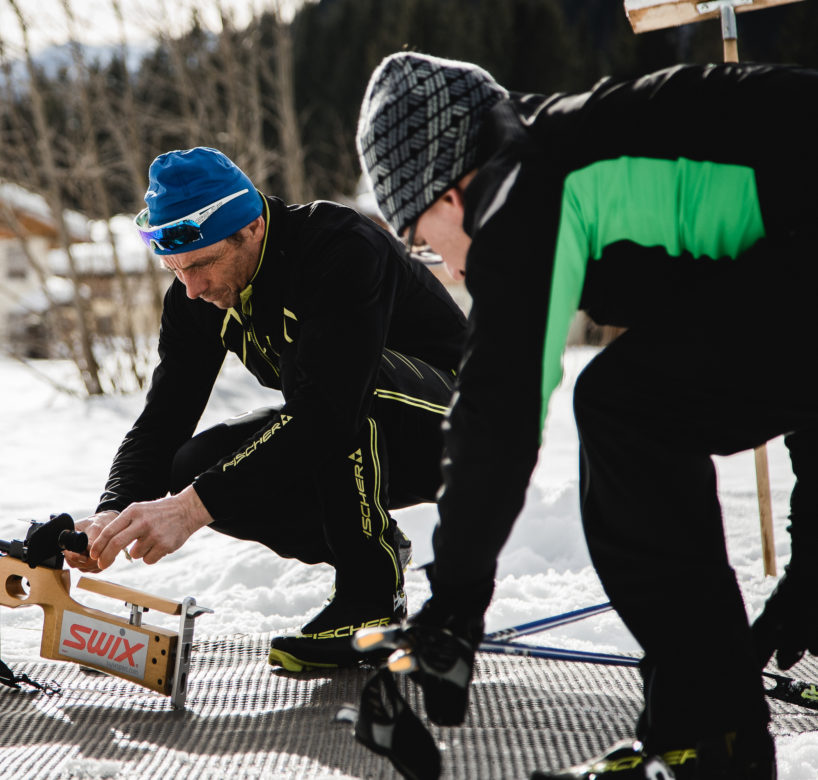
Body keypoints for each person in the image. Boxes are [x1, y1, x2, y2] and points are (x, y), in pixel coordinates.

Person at [355, 52, 818, 779]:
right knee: (636, 403)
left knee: (625, 409)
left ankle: (705, 745)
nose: (441, 265)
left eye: (419, 238)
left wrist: (452, 610)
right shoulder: (561, 149)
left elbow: (497, 413)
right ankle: (704, 739)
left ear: (447, 193)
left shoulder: (524, 188)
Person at [65, 146, 468, 671]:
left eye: (203, 264)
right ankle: (377, 552)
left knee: (329, 387)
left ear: (251, 228)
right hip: (352, 431)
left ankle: (368, 597)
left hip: (466, 429)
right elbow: (164, 418)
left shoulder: (339, 247)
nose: (192, 288)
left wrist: (190, 509)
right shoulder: (194, 297)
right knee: (194, 466)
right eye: (174, 268)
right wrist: (112, 511)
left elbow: (328, 409)